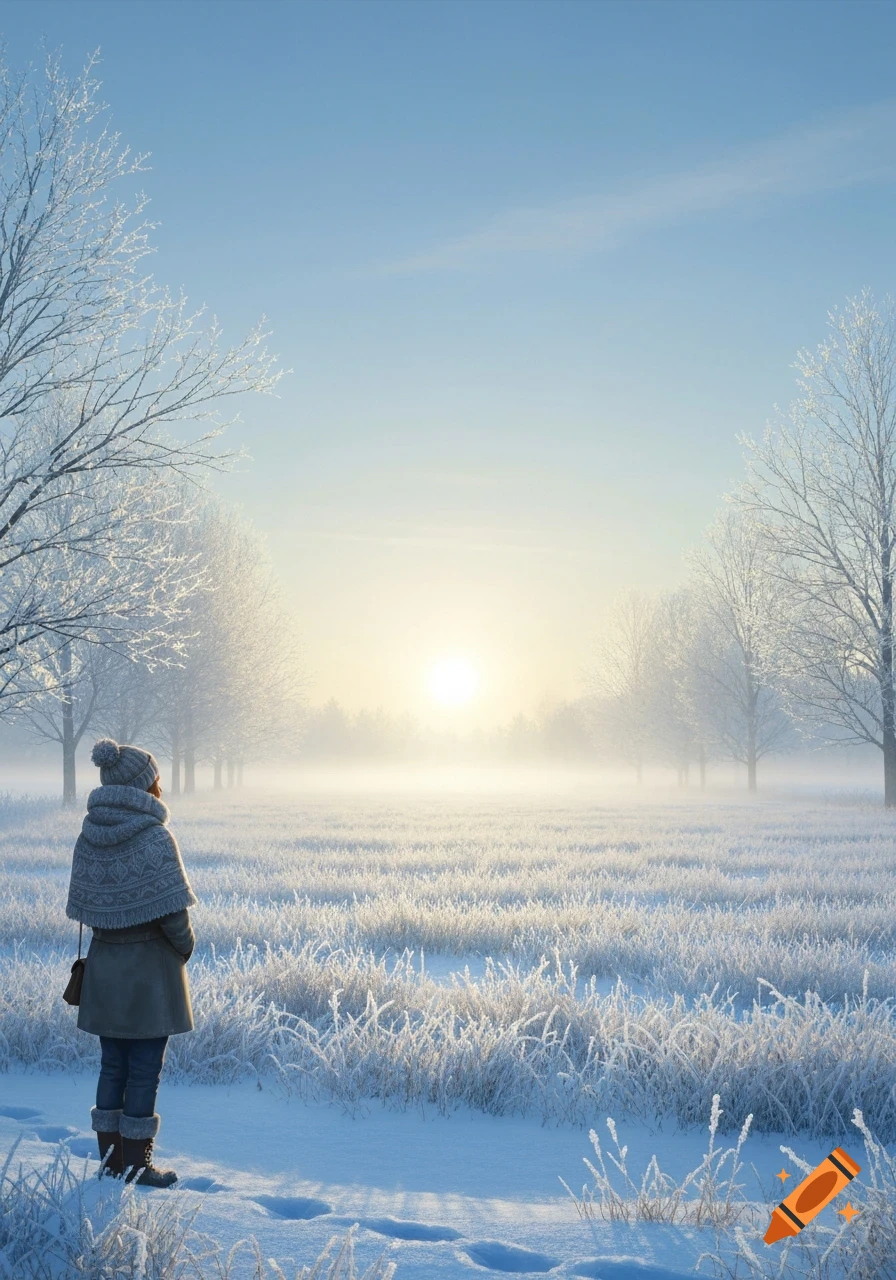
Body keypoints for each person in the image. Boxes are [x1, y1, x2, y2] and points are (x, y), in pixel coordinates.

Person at [65, 738, 198, 1188]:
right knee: (143, 1069)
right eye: (155, 778)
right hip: (149, 974)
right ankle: (139, 1166)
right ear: (143, 785)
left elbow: (82, 904)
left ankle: (110, 1164)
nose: (159, 784)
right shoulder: (154, 836)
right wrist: (184, 947)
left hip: (105, 968)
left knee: (111, 1066)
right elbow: (174, 916)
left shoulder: (90, 833)